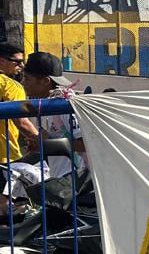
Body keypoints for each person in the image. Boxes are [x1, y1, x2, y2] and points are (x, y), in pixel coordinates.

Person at [0, 52, 85, 215]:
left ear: (45, 81)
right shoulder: (46, 106)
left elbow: (85, 144)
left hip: (75, 185)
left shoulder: (65, 105)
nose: (23, 83)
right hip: (60, 181)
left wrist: (48, 145)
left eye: (27, 79)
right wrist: (40, 145)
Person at [0, 43, 38, 163]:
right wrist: (40, 141)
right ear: (2, 61)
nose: (22, 65)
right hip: (5, 156)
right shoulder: (10, 86)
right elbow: (22, 122)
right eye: (18, 62)